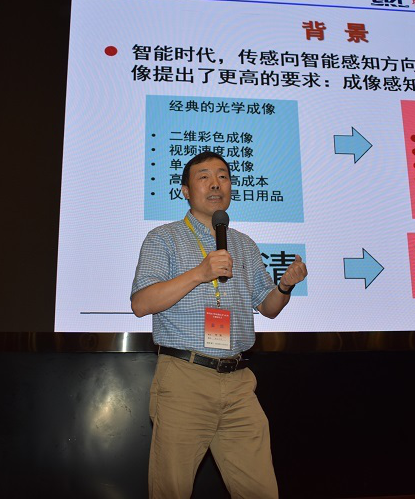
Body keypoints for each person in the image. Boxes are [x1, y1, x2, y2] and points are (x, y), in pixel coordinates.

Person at [131, 151, 308, 499]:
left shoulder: (245, 244)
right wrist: (200, 273)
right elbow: (141, 303)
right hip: (185, 378)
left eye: (223, 176)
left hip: (239, 381)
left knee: (260, 490)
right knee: (172, 490)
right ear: (185, 191)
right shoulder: (163, 238)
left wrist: (285, 286)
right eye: (204, 177)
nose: (216, 184)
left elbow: (268, 307)